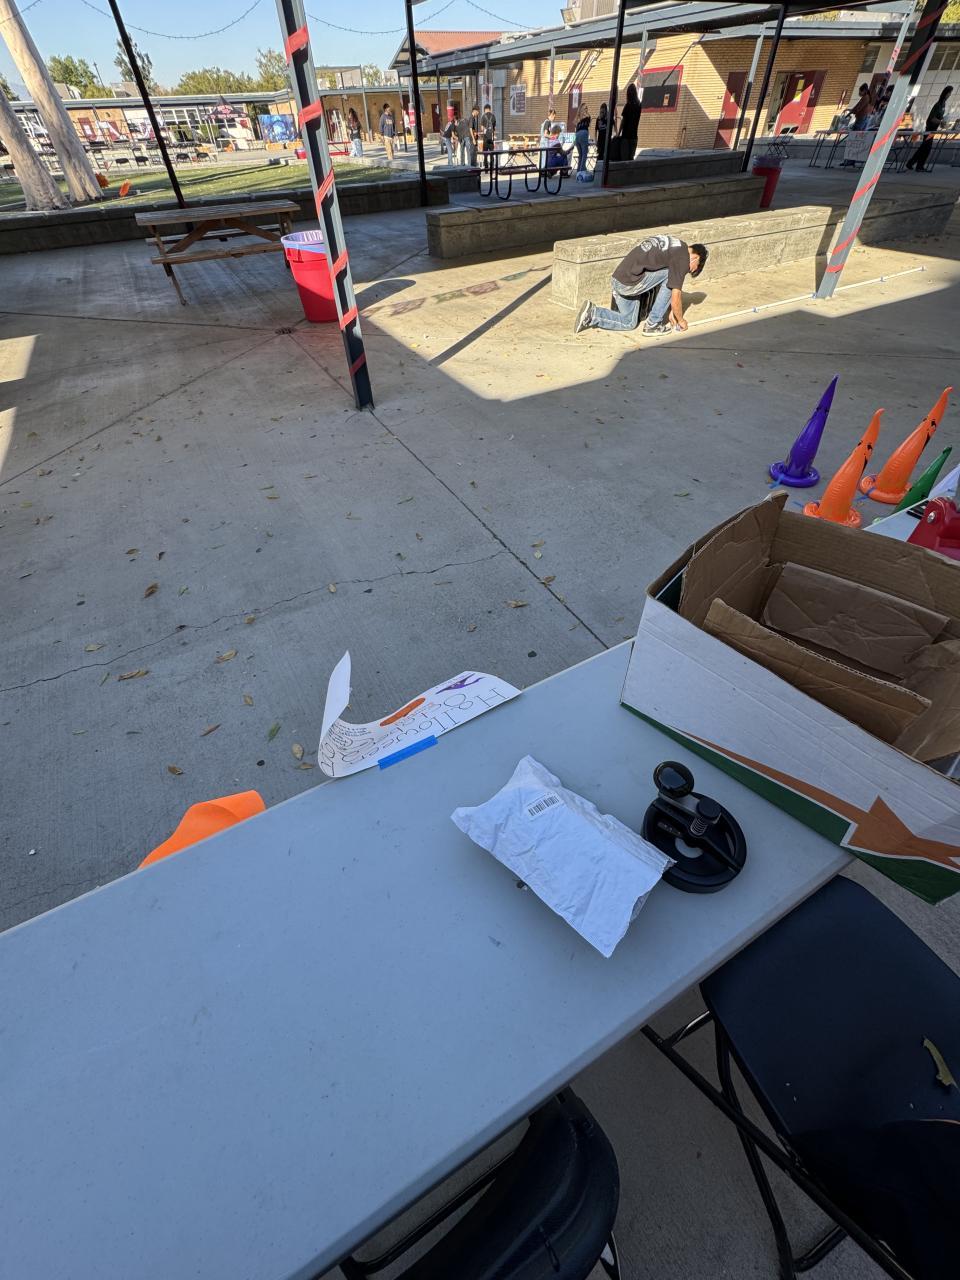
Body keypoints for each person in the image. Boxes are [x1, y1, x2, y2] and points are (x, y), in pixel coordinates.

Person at [573, 235, 707, 338]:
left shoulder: (676, 245)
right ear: (695, 258)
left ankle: (592, 314)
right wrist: (681, 320)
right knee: (669, 275)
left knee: (629, 323)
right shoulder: (683, 258)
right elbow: (675, 295)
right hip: (630, 284)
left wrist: (673, 311)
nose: (689, 270)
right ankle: (653, 324)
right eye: (693, 269)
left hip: (619, 279)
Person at [907, 86, 953, 172]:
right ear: (946, 93)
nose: (950, 95)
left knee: (924, 147)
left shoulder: (943, 104)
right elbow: (932, 118)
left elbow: (939, 117)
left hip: (933, 129)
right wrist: (941, 122)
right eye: (949, 93)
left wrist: (943, 122)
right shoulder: (938, 104)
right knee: (926, 148)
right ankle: (918, 165)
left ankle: (912, 163)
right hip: (930, 129)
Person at [618, 83, 640, 161]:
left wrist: (618, 133)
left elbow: (623, 120)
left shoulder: (628, 105)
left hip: (626, 136)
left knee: (624, 158)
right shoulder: (639, 105)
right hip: (634, 135)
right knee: (631, 158)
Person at [479, 101, 497, 172]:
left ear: (485, 109)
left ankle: (486, 169)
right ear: (490, 109)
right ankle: (492, 169)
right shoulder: (493, 116)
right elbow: (494, 128)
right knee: (492, 154)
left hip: (485, 138)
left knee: (485, 154)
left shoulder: (483, 116)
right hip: (491, 139)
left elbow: (482, 128)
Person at [574, 107, 591, 172]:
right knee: (584, 154)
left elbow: (576, 131)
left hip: (577, 135)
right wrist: (586, 111)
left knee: (580, 155)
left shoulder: (579, 123)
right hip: (583, 133)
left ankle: (578, 171)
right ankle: (582, 171)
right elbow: (589, 116)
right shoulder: (587, 119)